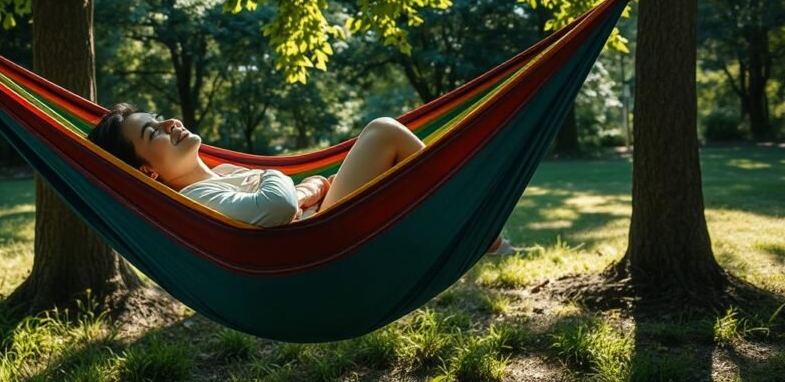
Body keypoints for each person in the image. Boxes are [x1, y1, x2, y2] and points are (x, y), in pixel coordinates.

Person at [88, 102, 520, 254]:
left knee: (391, 158)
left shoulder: (221, 173)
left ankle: (470, 229)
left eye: (160, 118)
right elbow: (278, 206)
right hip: (324, 244)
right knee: (383, 132)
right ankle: (478, 228)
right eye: (153, 132)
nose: (171, 124)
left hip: (322, 227)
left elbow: (281, 204)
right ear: (147, 171)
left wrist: (303, 193)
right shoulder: (196, 201)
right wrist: (297, 187)